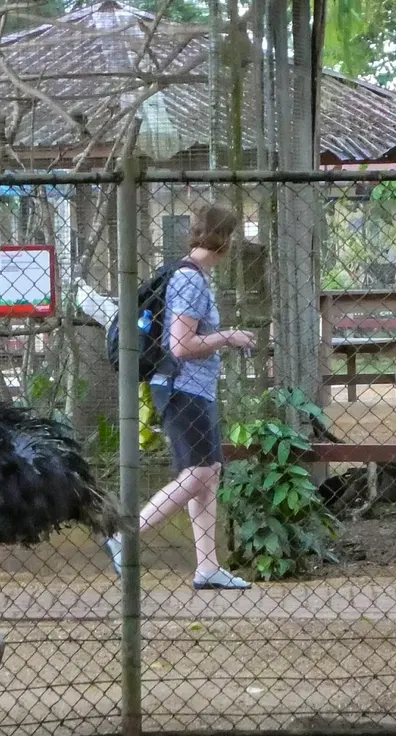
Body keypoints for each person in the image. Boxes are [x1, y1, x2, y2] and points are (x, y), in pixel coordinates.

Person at [104, 203, 258, 590]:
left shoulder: (195, 275)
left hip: (194, 388)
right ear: (226, 239)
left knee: (208, 475)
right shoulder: (189, 279)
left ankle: (207, 567)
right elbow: (181, 344)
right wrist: (230, 336)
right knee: (200, 472)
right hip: (181, 386)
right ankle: (125, 536)